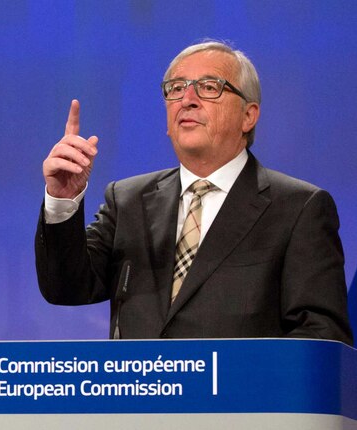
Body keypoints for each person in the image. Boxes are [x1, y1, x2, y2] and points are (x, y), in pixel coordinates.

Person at [35, 41, 353, 345]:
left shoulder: (299, 209)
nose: (187, 99)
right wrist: (62, 198)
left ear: (248, 115)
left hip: (239, 400)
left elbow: (320, 336)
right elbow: (66, 288)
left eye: (209, 87)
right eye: (175, 88)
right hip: (141, 397)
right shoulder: (129, 200)